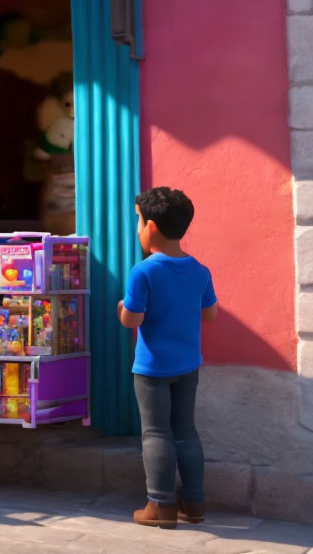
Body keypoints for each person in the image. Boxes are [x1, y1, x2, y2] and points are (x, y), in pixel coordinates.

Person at [117, 187, 218, 529]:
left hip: (152, 367)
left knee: (156, 433)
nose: (138, 228)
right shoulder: (199, 270)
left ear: (152, 227)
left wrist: (122, 309)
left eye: (138, 221)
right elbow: (211, 314)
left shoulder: (143, 271)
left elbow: (133, 320)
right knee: (185, 430)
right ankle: (194, 502)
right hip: (188, 364)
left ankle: (159, 506)